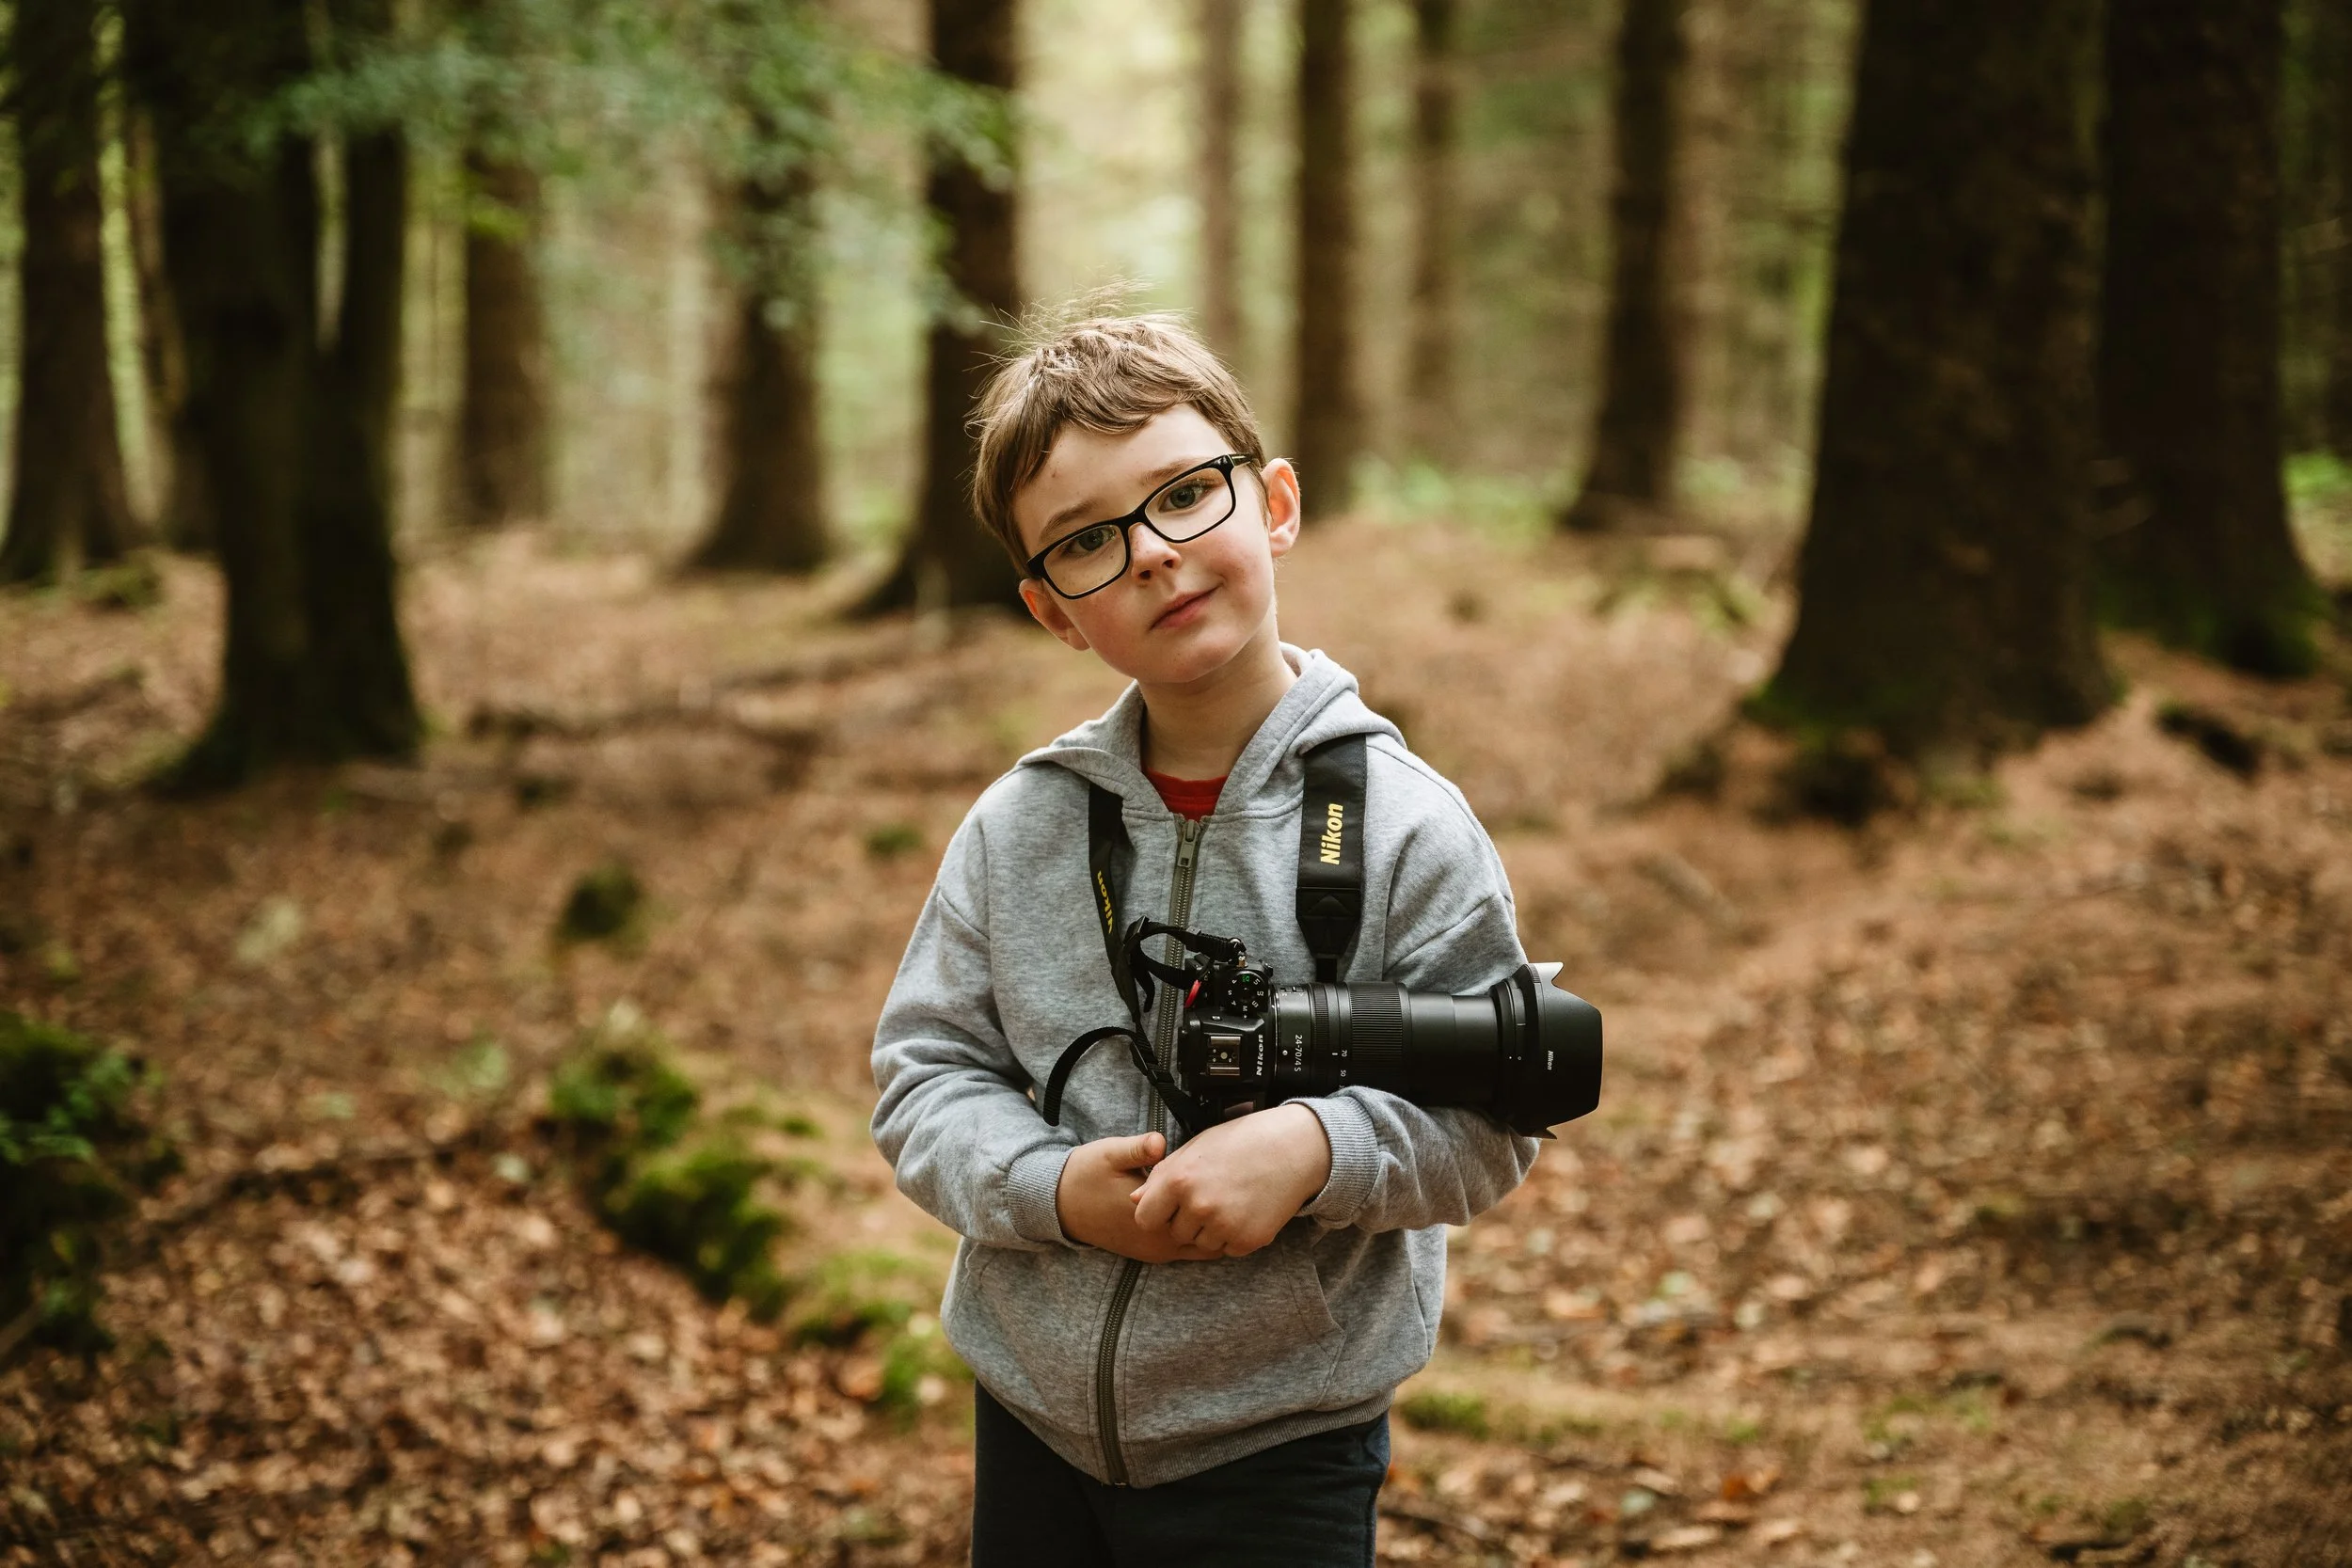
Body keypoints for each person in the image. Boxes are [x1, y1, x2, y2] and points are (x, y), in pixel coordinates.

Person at [869, 311, 1538, 1568]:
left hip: (1279, 1441)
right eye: (1087, 541)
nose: (1153, 557)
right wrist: (1051, 1189)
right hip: (1030, 1418)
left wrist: (1316, 1144)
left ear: (1274, 500)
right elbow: (924, 1074)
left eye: (1184, 494)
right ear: (1050, 610)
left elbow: (1500, 1112)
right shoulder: (1020, 828)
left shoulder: (1402, 829)